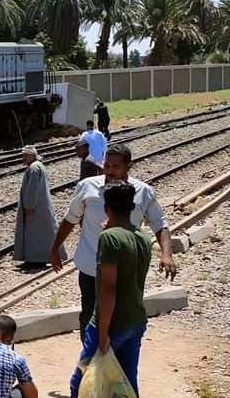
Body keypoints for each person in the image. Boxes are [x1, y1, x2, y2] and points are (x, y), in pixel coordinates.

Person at [33, 182, 151, 398]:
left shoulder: (109, 238)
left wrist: (101, 334)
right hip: (136, 321)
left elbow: (107, 290)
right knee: (128, 384)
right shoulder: (143, 237)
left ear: (107, 209)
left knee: (79, 383)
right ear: (133, 208)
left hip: (110, 324)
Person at [49, 144, 176, 337]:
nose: (109, 170)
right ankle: (91, 360)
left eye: (115, 166)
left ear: (128, 166)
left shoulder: (143, 192)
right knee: (89, 317)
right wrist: (55, 248)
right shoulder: (87, 187)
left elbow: (160, 225)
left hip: (126, 271)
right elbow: (70, 219)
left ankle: (113, 358)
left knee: (122, 318)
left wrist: (167, 255)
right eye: (106, 165)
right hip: (91, 268)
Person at [13, 146, 66, 268]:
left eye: (25, 155)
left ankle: (35, 259)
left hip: (36, 208)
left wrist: (29, 206)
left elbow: (32, 189)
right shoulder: (37, 166)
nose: (23, 158)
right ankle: (37, 258)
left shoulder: (34, 168)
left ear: (32, 155)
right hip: (40, 206)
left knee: (35, 234)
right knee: (41, 233)